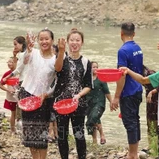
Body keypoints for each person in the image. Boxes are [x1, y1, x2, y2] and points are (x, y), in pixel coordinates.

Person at [18, 29, 59, 159]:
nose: (44, 41)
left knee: (41, 133)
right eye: (41, 39)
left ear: (52, 40)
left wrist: (47, 94)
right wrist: (28, 50)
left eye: (46, 39)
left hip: (43, 100)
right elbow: (23, 63)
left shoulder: (55, 60)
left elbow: (56, 84)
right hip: (27, 96)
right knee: (30, 133)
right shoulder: (33, 53)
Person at [53, 28, 92, 159]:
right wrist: (61, 51)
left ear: (82, 43)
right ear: (68, 42)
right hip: (61, 103)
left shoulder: (86, 62)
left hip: (78, 103)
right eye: (72, 40)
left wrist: (79, 95)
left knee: (79, 134)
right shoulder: (62, 57)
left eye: (77, 40)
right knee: (62, 134)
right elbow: (57, 69)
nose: (74, 43)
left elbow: (88, 85)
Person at [110, 22, 143, 159]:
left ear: (121, 34)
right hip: (138, 90)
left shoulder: (122, 51)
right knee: (135, 120)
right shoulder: (138, 48)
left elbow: (122, 76)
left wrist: (116, 96)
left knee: (130, 123)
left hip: (128, 92)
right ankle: (135, 151)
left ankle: (132, 154)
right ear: (134, 34)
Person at [3, 36, 27, 132]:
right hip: (22, 83)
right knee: (20, 109)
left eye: (15, 44)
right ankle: (19, 129)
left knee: (22, 108)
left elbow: (18, 70)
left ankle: (24, 128)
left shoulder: (25, 54)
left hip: (25, 83)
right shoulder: (21, 54)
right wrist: (14, 56)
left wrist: (8, 76)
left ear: (22, 44)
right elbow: (17, 70)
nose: (14, 47)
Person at [86, 61, 112, 145]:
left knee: (93, 118)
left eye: (96, 67)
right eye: (93, 67)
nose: (95, 68)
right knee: (95, 120)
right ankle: (95, 140)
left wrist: (111, 102)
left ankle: (101, 135)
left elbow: (107, 92)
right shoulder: (86, 79)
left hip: (99, 103)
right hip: (89, 103)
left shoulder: (101, 78)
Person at [0, 57, 18, 135]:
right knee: (13, 113)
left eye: (11, 62)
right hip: (11, 97)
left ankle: (20, 128)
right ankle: (12, 129)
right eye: (8, 62)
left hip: (20, 97)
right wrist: (8, 90)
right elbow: (0, 85)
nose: (9, 64)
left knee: (20, 114)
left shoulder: (20, 73)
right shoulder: (7, 74)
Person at [142, 65, 159, 149]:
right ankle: (151, 146)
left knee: (155, 124)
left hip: (157, 101)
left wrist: (152, 91)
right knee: (149, 124)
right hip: (150, 101)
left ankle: (156, 146)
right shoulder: (140, 73)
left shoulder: (150, 73)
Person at [48, 44, 59, 143]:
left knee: (53, 112)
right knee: (51, 112)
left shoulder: (57, 62)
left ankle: (54, 133)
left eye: (52, 50)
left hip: (55, 90)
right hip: (49, 89)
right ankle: (54, 133)